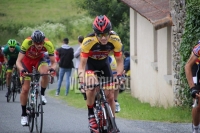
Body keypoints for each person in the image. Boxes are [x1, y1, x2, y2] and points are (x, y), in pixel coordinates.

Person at [78, 15, 123, 132]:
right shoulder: (88, 41)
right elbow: (82, 65)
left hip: (104, 64)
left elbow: (119, 61)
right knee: (91, 86)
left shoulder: (115, 40)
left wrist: (119, 76)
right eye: (100, 35)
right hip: (90, 65)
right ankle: (91, 115)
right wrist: (82, 82)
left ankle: (112, 122)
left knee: (111, 96)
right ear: (95, 33)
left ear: (110, 32)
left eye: (106, 34)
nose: (103, 38)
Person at [16, 30, 57, 126]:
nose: (39, 45)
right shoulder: (27, 42)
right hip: (26, 62)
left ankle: (42, 94)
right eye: (37, 43)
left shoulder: (48, 44)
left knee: (45, 73)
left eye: (41, 42)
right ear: (33, 41)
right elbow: (18, 61)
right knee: (25, 89)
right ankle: (24, 114)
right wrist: (22, 69)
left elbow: (54, 62)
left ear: (44, 41)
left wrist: (52, 69)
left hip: (39, 60)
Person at [185, 40, 200, 133]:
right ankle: (196, 129)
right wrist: (192, 88)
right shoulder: (198, 48)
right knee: (198, 102)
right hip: (197, 69)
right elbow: (187, 66)